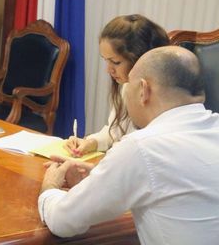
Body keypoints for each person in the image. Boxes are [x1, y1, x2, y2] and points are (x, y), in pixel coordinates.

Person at [39, 46, 219, 244]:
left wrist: (50, 187)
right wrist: (103, 175)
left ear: (143, 90)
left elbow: (63, 221)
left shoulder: (142, 146)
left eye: (128, 83)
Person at [65, 14, 169, 156]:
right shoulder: (127, 86)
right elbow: (114, 132)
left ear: (139, 59)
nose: (108, 70)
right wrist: (91, 142)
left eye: (115, 62)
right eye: (106, 61)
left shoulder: (162, 102)